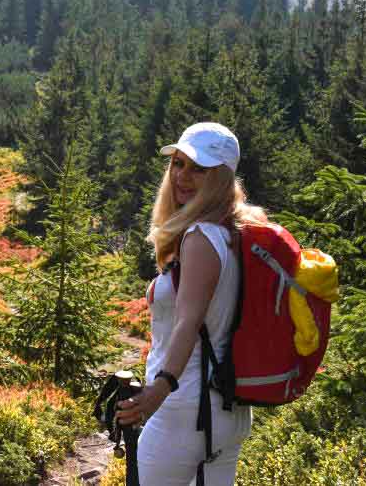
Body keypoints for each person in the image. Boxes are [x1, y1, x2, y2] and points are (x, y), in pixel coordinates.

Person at [115, 122, 266, 485]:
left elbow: (188, 321)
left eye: (199, 169)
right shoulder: (238, 232)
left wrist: (160, 388)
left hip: (185, 411)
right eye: (178, 164)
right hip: (228, 413)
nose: (182, 176)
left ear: (222, 177)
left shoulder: (200, 238)